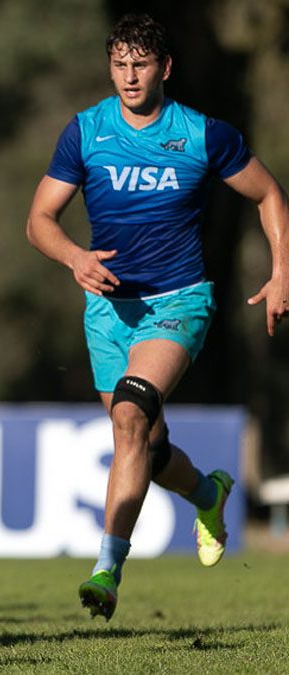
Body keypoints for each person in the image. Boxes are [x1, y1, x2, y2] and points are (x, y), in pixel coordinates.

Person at [26, 13, 289, 621]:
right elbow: (39, 220)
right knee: (143, 440)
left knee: (129, 415)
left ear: (165, 68)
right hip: (106, 311)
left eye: (140, 64)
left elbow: (269, 194)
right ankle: (208, 491)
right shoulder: (86, 132)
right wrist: (74, 258)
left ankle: (106, 570)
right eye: (119, 64)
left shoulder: (202, 134)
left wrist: (281, 271)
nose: (128, 77)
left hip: (178, 302)